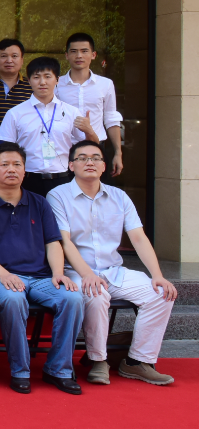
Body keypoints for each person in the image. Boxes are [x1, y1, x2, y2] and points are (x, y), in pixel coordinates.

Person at [49, 139, 178, 387]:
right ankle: (98, 360)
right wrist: (87, 274)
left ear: (104, 166)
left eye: (96, 158)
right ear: (71, 165)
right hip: (76, 271)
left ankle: (138, 361)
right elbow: (64, 241)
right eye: (82, 158)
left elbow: (138, 238)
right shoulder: (58, 195)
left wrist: (157, 275)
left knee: (161, 293)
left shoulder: (119, 196)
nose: (89, 162)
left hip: (113, 271)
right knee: (96, 294)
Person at [0, 141, 84, 395]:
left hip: (41, 277)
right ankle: (20, 371)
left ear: (25, 170)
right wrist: (4, 274)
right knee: (13, 298)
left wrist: (58, 273)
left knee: (72, 298)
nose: (12, 169)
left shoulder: (39, 203)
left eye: (17, 164)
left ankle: (59, 370)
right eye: (5, 164)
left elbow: (53, 242)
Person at [0, 56, 98, 197]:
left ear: (57, 79)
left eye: (47, 76)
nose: (42, 82)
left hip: (63, 179)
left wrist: (89, 131)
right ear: (29, 80)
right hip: (27, 180)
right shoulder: (15, 113)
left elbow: (92, 148)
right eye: (36, 77)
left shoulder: (71, 112)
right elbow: (3, 150)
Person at [59, 33, 124, 177]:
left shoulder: (105, 84)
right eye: (74, 51)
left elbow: (111, 118)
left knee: (97, 189)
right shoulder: (57, 84)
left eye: (84, 51)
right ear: (67, 55)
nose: (79, 56)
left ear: (93, 55)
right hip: (65, 150)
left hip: (96, 148)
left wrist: (118, 153)